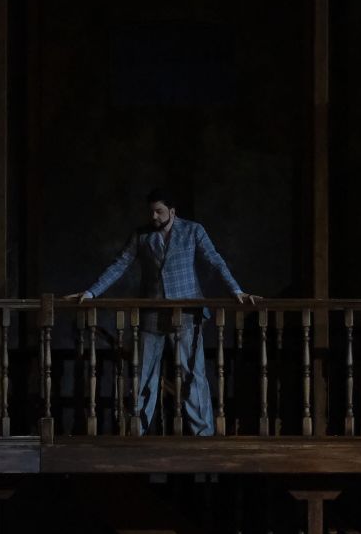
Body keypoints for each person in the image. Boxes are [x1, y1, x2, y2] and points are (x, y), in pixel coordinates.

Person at [75, 187, 256, 436]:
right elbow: (119, 265)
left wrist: (237, 291)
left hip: (186, 313)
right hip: (151, 313)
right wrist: (91, 292)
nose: (154, 217)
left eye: (159, 212)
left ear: (172, 211)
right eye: (151, 212)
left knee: (193, 375)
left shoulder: (193, 230)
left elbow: (215, 260)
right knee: (144, 374)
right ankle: (136, 432)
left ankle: (203, 435)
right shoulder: (142, 235)